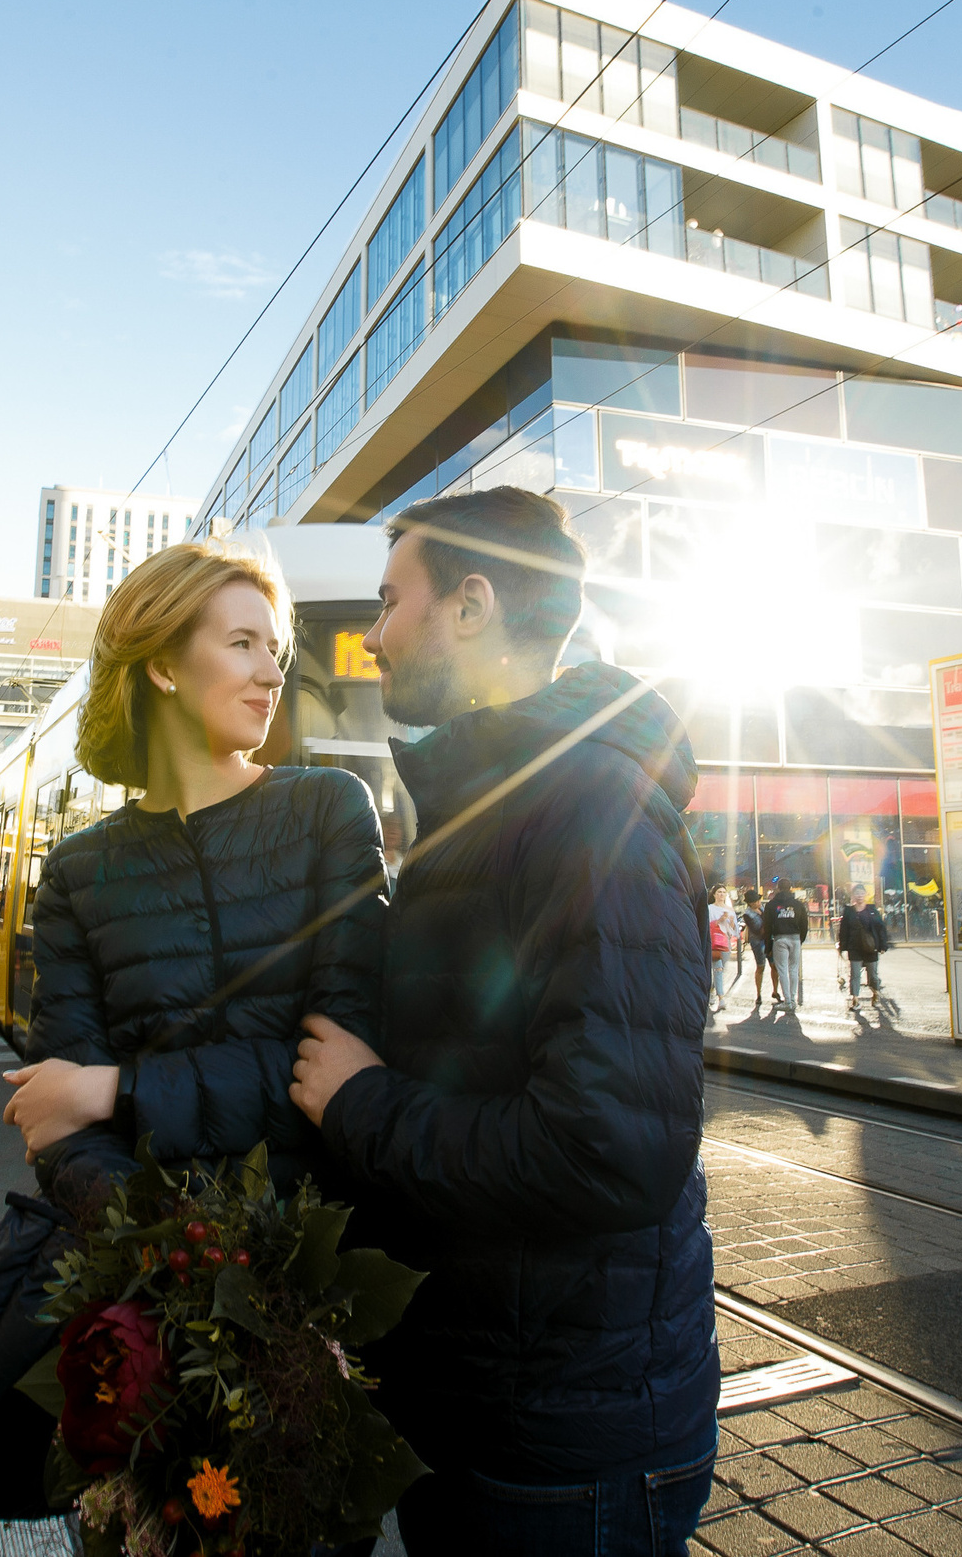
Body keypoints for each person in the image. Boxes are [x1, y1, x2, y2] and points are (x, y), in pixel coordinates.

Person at [289, 487, 716, 1555]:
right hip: (491, 1405)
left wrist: (362, 1104)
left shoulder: (589, 809)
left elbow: (605, 1151)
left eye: (390, 602)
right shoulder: (496, 801)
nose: (373, 636)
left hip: (561, 1447)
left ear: (471, 606)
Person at [0, 539, 385, 1231]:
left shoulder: (329, 809)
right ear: (162, 666)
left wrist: (113, 1088)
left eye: (274, 649)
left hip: (328, 1247)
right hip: (154, 1266)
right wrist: (172, 1249)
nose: (273, 673)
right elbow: (59, 1123)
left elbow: (339, 1073)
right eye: (242, 644)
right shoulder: (75, 873)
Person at [762, 876, 810, 1010]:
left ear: (778, 889)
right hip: (795, 938)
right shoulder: (798, 905)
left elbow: (767, 927)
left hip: (780, 938)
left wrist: (768, 947)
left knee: (782, 969)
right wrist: (800, 939)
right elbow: (804, 924)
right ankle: (793, 1000)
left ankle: (787, 1001)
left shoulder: (771, 905)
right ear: (790, 888)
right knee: (793, 969)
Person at [836, 882, 888, 1002]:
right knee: (855, 974)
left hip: (870, 947)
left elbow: (880, 928)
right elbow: (843, 930)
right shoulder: (849, 912)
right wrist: (842, 946)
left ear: (865, 894)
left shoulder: (872, 910)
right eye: (857, 893)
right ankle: (855, 999)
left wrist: (882, 945)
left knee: (872, 974)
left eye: (861, 893)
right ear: (853, 895)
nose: (859, 895)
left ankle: (875, 992)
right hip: (854, 947)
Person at [707, 885, 739, 1012]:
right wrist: (720, 920)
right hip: (714, 943)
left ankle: (712, 990)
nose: (721, 894)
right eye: (719, 892)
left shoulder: (730, 910)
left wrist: (731, 922)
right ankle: (721, 998)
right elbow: (707, 926)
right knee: (718, 969)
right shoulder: (710, 909)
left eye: (724, 892)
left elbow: (734, 930)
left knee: (720, 969)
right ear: (714, 894)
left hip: (725, 942)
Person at [741, 887, 770, 1008]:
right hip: (758, 942)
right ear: (751, 903)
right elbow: (757, 930)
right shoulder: (747, 914)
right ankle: (759, 993)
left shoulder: (763, 908)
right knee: (760, 966)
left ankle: (775, 991)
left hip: (767, 940)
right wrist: (764, 918)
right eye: (756, 901)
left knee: (774, 965)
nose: (759, 903)